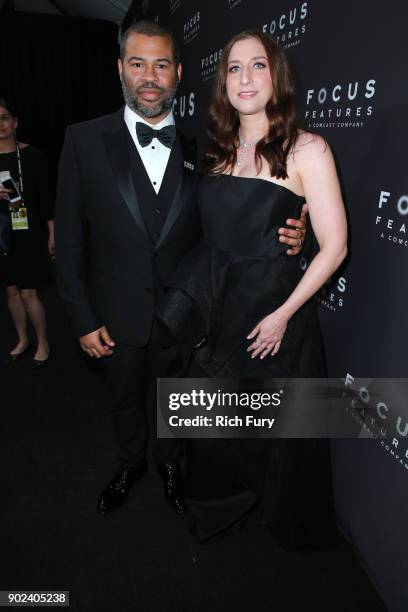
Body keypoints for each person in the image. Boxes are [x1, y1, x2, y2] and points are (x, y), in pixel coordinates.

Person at [54, 21, 307, 518]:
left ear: (178, 73)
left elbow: (241, 217)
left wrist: (297, 234)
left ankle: (171, 463)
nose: (150, 75)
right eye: (138, 63)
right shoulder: (82, 141)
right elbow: (67, 242)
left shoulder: (205, 146)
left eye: (161, 64)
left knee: (176, 401)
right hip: (113, 312)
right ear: (120, 69)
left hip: (185, 311)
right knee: (124, 398)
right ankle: (131, 464)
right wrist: (81, 317)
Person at [157, 30, 347, 547]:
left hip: (273, 309)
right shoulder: (216, 151)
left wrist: (284, 313)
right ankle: (216, 507)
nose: (245, 77)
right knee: (214, 420)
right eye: (234, 68)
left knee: (275, 423)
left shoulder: (307, 148)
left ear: (276, 75)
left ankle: (274, 517)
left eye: (257, 65)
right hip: (222, 306)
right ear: (223, 83)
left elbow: (335, 247)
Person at [0, 96, 53, 368]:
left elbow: (46, 200)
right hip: (2, 234)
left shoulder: (33, 156)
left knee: (28, 293)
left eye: (5, 118)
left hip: (28, 231)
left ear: (15, 122)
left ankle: (42, 342)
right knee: (11, 292)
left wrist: (52, 233)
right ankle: (22, 339)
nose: (0, 125)